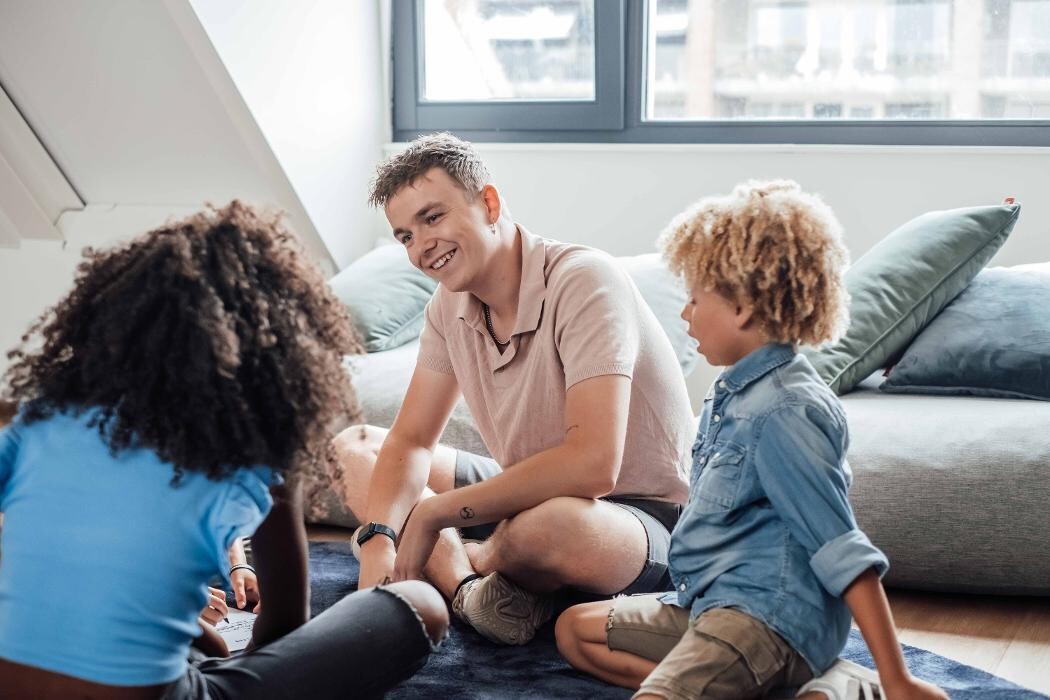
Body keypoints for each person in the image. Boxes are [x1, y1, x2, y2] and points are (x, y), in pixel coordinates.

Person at [0, 202, 447, 700]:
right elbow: (282, 628)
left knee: (197, 639)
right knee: (420, 605)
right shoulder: (257, 452)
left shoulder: (41, 418)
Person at [554, 181, 947, 699]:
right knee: (574, 630)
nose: (686, 313)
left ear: (740, 307)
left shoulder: (787, 409)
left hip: (769, 619)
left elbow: (841, 548)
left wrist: (900, 678)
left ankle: (854, 682)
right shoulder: (733, 392)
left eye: (695, 298)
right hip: (710, 605)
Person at [331, 132, 695, 645]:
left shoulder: (584, 280)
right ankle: (473, 592)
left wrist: (432, 515)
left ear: (489, 203)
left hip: (636, 516)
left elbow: (593, 466)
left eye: (432, 218)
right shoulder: (446, 306)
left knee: (550, 527)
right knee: (354, 448)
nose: (421, 246)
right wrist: (378, 541)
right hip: (524, 484)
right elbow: (411, 441)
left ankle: (471, 560)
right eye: (405, 236)